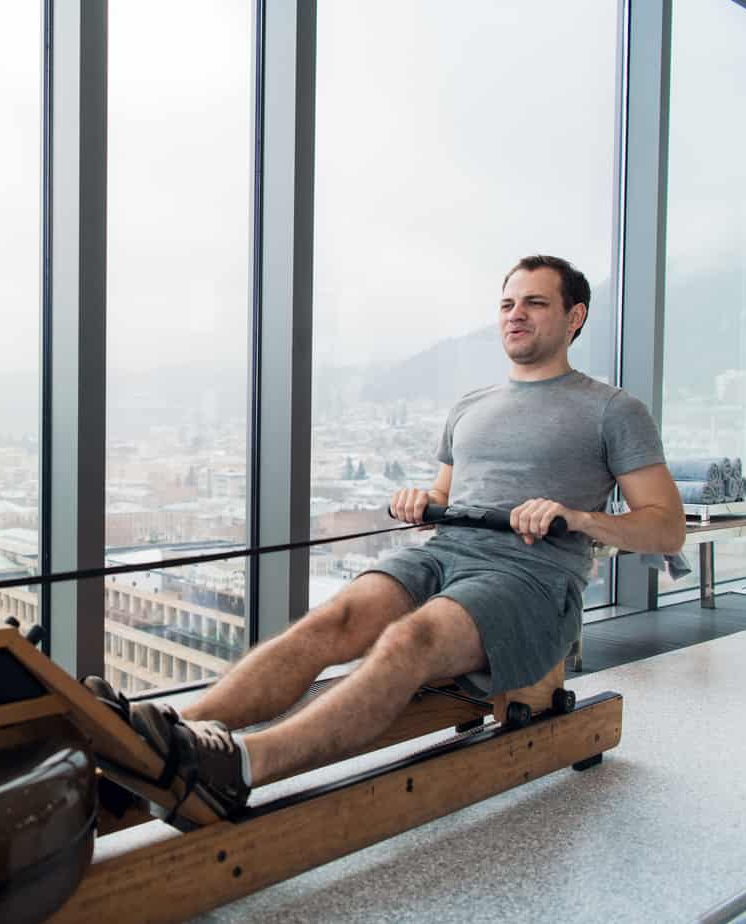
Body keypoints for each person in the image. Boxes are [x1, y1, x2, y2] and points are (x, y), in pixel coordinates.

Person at [86, 254, 686, 817]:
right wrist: (424, 502)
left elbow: (665, 526)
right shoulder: (471, 405)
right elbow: (447, 497)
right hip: (446, 553)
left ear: (574, 316)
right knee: (332, 621)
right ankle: (171, 733)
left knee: (409, 640)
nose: (516, 315)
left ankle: (242, 765)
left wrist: (579, 518)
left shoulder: (612, 410)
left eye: (535, 303)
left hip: (531, 578)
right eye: (507, 304)